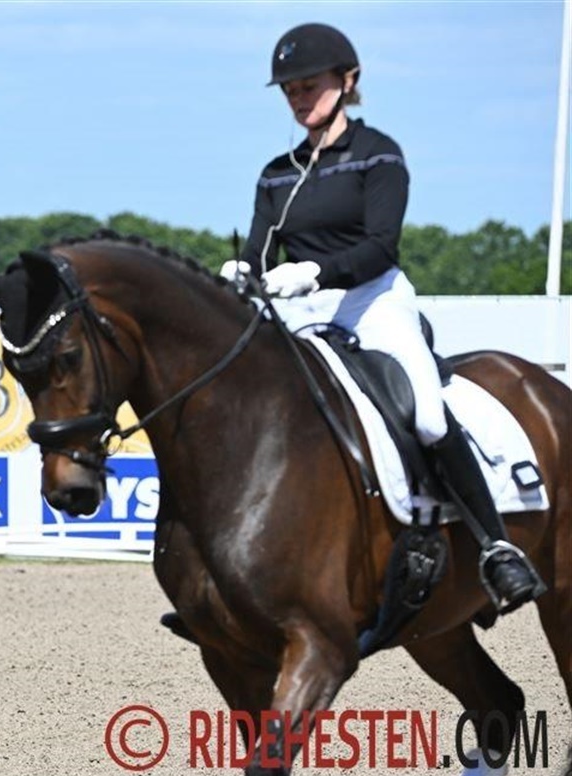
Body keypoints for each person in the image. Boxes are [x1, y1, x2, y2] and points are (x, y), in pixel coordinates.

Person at [221, 22, 545, 614]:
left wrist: (316, 271)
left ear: (348, 81)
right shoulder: (276, 173)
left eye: (309, 85)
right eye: (289, 90)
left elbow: (380, 246)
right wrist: (242, 272)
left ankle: (496, 547)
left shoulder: (378, 155)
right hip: (301, 312)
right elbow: (260, 251)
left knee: (426, 415)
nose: (298, 98)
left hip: (372, 300)